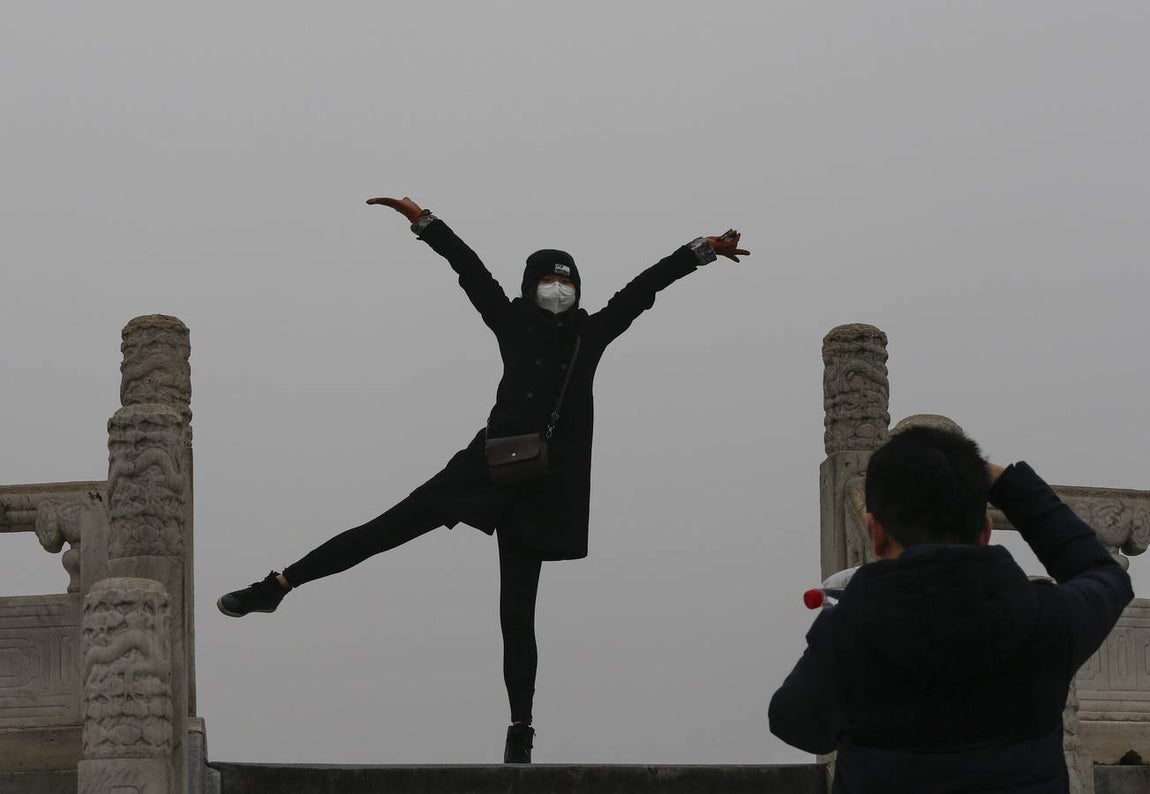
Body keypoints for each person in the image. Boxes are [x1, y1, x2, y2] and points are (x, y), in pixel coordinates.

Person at [217, 196, 750, 763]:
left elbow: (642, 290)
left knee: (517, 614)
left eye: (566, 282)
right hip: (486, 466)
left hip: (540, 489)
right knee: (385, 529)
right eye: (547, 281)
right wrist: (425, 223)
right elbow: (470, 271)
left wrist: (700, 252)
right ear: (530, 287)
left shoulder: (588, 335)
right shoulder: (512, 321)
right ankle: (278, 587)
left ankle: (521, 730)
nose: (558, 290)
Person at [769, 426, 1134, 793]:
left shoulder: (847, 635)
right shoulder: (1047, 618)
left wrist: (841, 616)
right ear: (985, 531)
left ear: (875, 533)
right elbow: (1104, 574)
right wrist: (1009, 484)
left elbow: (794, 723)